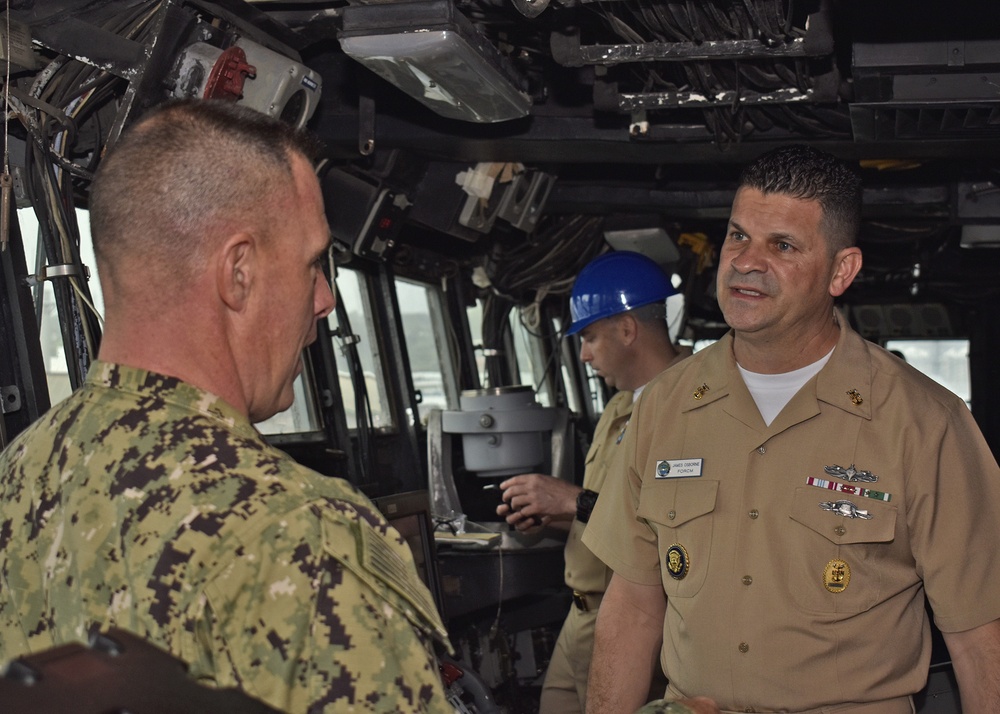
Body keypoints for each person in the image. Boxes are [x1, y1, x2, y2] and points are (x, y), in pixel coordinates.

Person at [0, 100, 452, 713]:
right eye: (314, 262)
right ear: (237, 272)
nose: (324, 299)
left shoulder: (17, 473)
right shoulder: (299, 530)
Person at [583, 145, 1000, 714]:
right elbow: (631, 604)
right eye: (738, 236)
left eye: (782, 245)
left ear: (841, 270)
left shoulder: (926, 424)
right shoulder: (662, 408)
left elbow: (981, 638)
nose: (746, 262)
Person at [496, 251, 690, 714]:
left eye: (589, 337)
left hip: (640, 620)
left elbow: (673, 532)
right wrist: (551, 516)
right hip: (580, 616)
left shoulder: (692, 409)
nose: (583, 355)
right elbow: (607, 520)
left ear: (627, 329)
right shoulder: (620, 409)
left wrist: (573, 499)